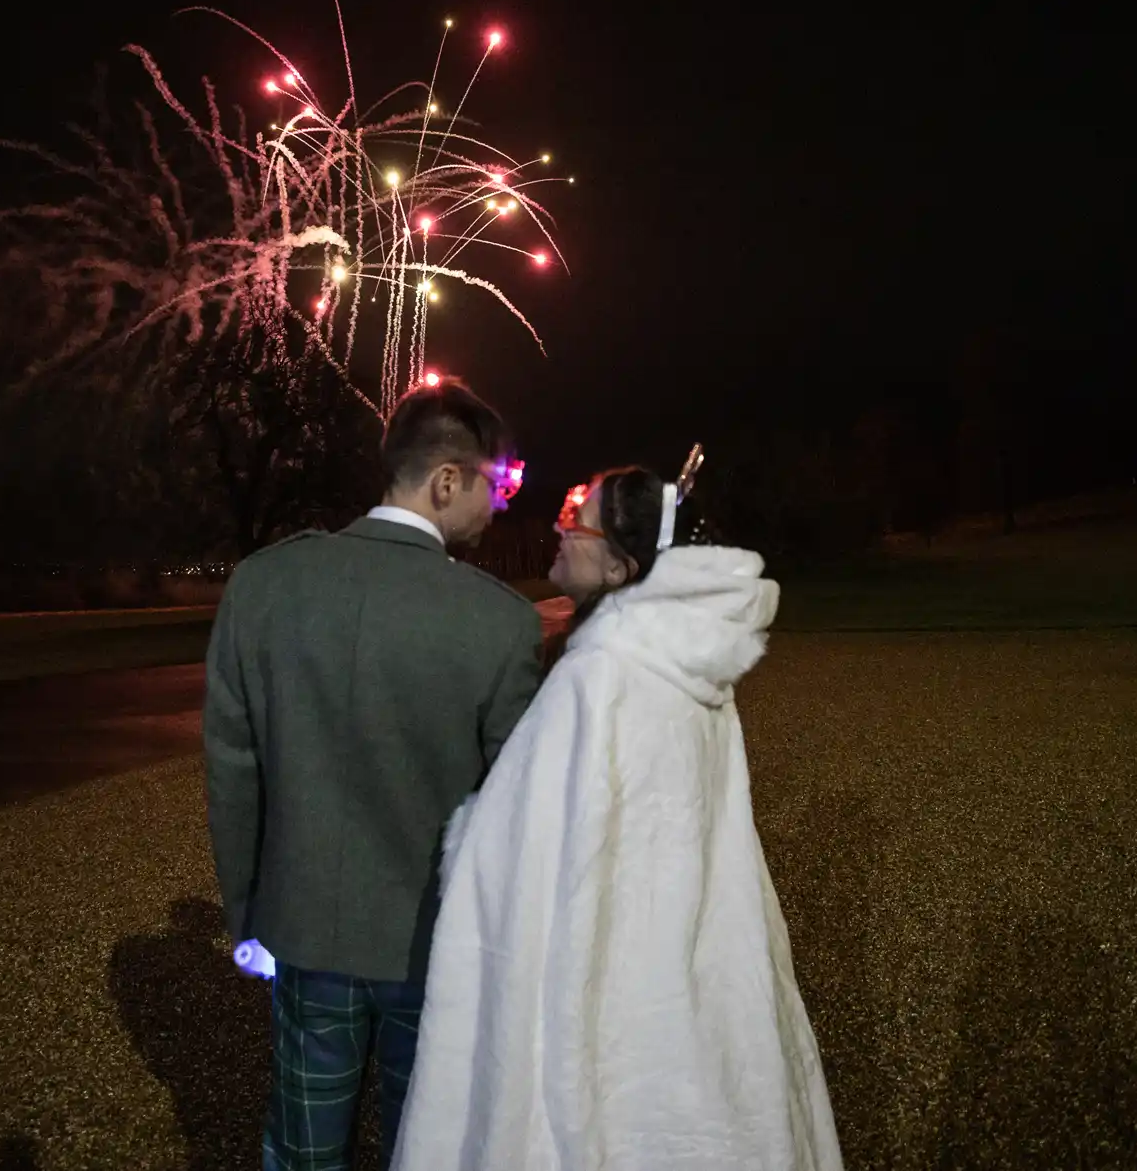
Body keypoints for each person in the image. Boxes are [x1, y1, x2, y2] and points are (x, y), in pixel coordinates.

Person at [392, 458, 845, 1171]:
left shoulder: (600, 676)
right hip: (678, 973)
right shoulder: (686, 671)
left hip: (603, 988)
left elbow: (521, 853)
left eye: (579, 518)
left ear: (618, 567)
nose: (562, 527)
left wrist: (470, 825)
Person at [202, 378, 546, 1171]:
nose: (498, 505)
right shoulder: (498, 620)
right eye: (496, 484)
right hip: (436, 941)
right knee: (425, 1146)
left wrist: (250, 914)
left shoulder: (264, 585)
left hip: (304, 924)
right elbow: (513, 806)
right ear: (447, 480)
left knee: (302, 1145)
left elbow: (232, 765)